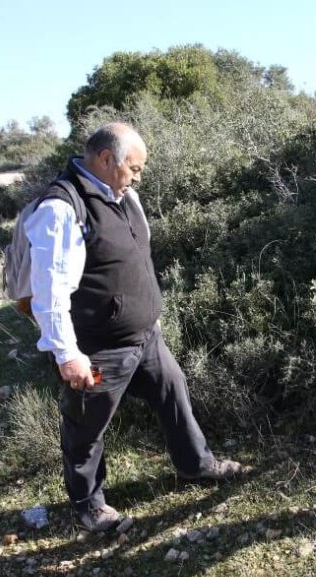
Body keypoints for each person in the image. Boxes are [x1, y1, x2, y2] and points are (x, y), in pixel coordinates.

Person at [25, 122, 243, 532]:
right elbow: (49, 289)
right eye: (135, 168)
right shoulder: (61, 208)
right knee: (86, 427)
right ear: (107, 160)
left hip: (146, 336)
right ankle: (89, 505)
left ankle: (196, 464)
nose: (139, 176)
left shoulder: (124, 197)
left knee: (173, 391)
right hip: (98, 346)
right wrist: (67, 354)